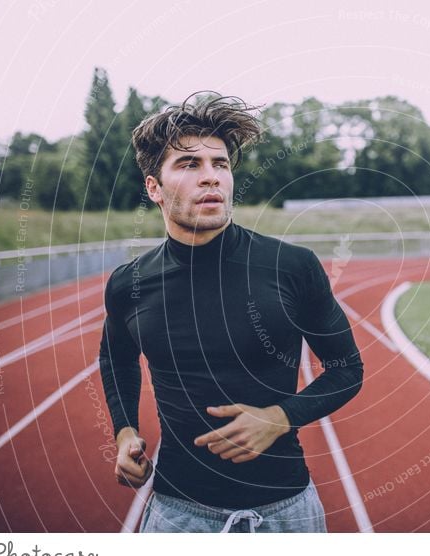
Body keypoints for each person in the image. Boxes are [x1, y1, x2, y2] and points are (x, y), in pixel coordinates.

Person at [99, 92, 364, 533]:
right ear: (153, 189)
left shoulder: (292, 266)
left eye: (219, 164)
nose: (211, 178)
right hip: (178, 515)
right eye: (189, 165)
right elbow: (116, 357)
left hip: (287, 513)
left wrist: (280, 417)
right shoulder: (129, 284)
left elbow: (346, 369)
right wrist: (125, 430)